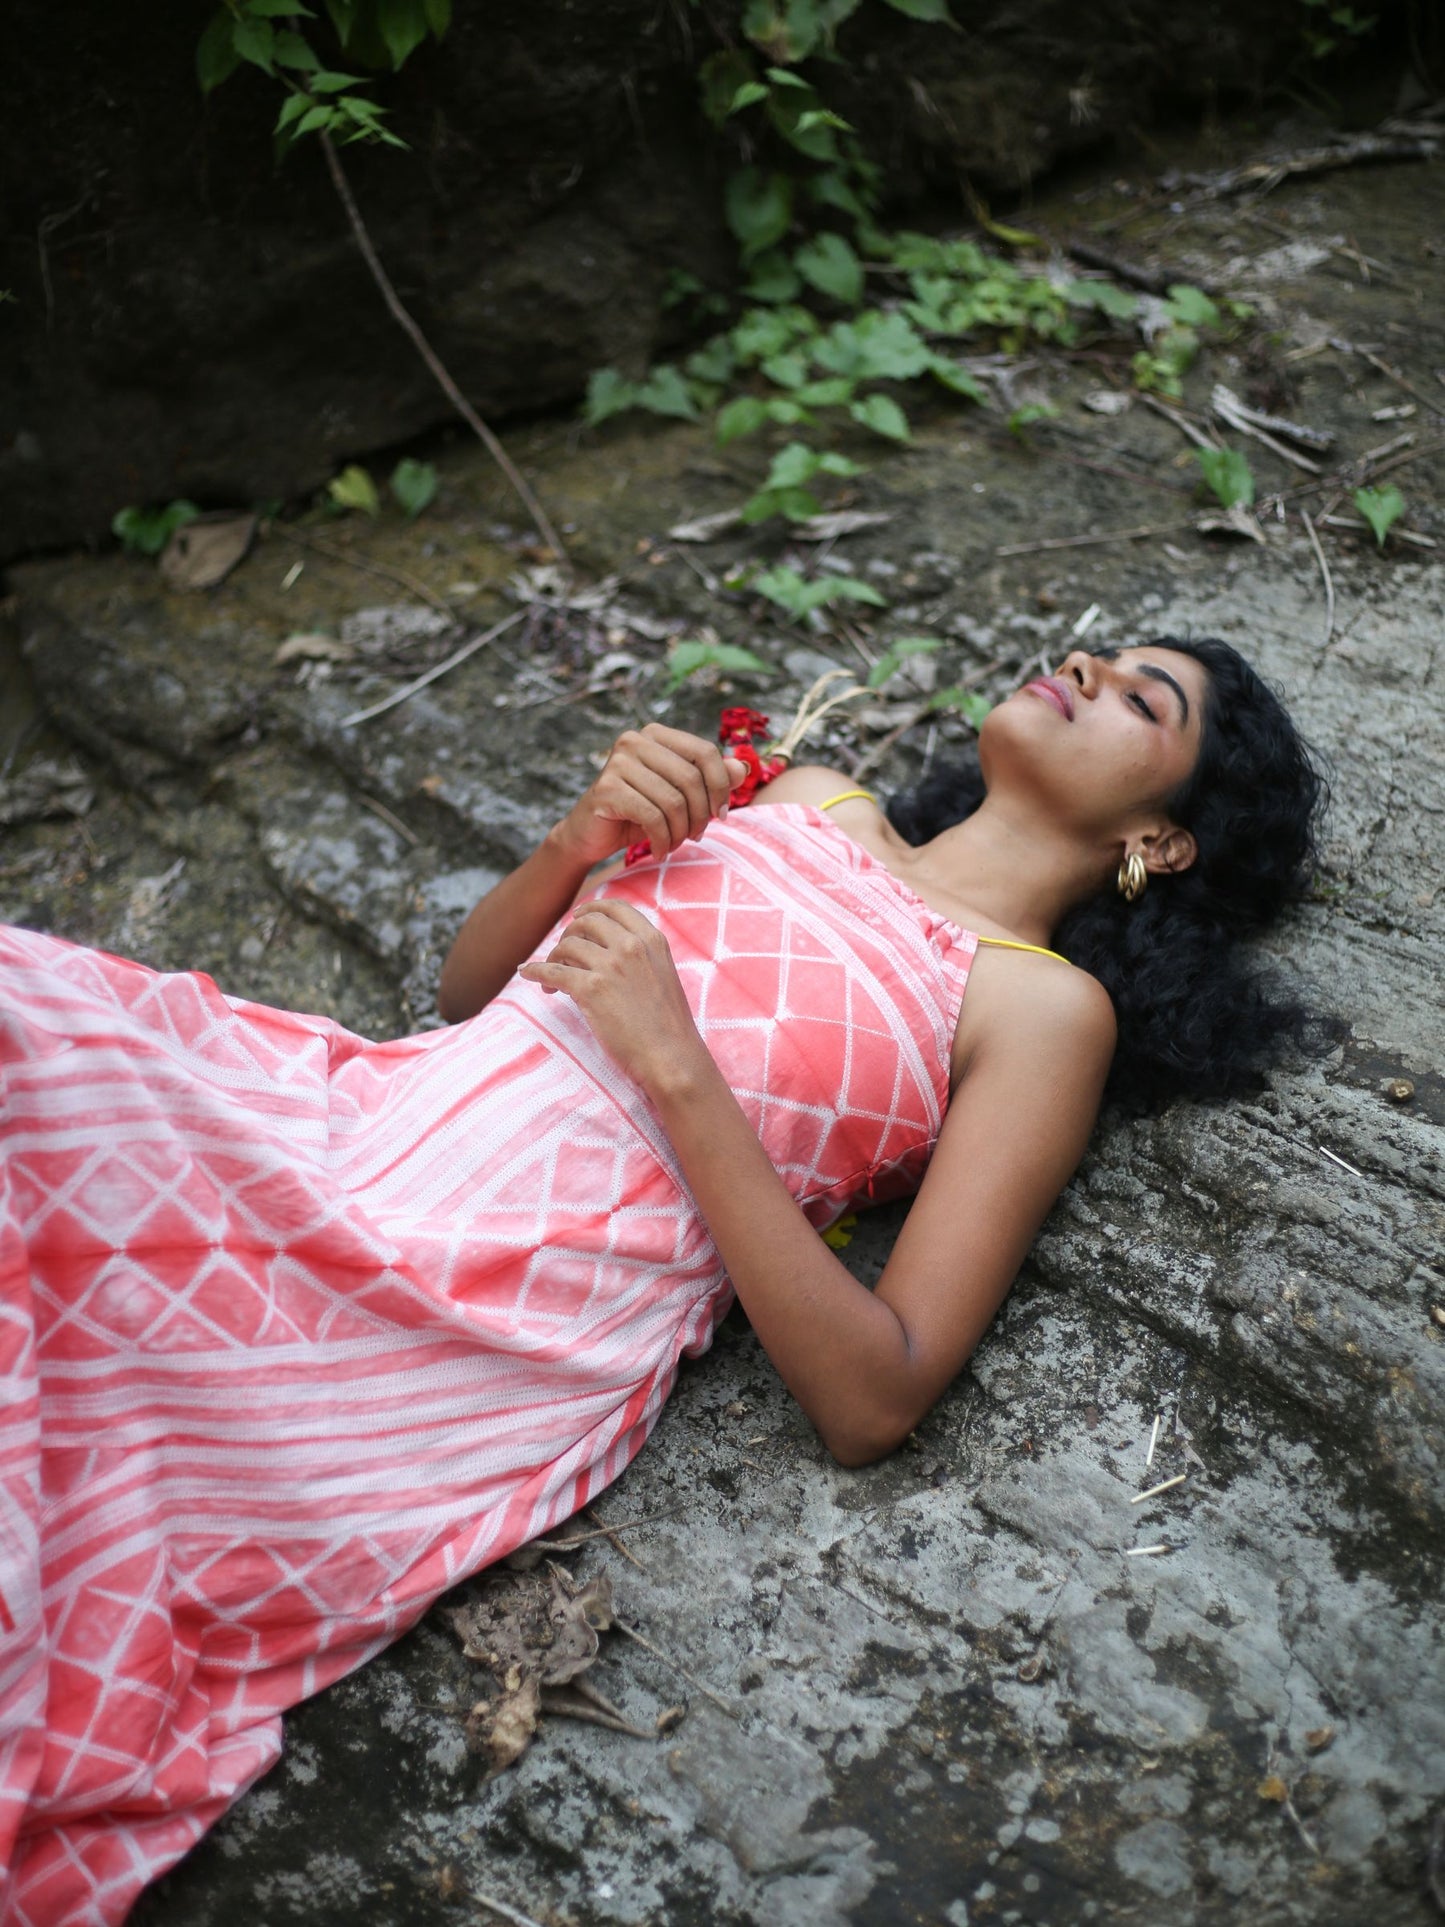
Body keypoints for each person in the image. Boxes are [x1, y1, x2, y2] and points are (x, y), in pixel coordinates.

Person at [0, 636, 1330, 1924]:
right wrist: (581, 839)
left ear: (1159, 840)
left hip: (485, 1306)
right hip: (353, 1128)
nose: (1087, 668)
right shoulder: (805, 801)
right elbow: (475, 1006)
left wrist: (677, 1065)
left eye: (1144, 698)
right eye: (1097, 653)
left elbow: (877, 1395)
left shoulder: (1035, 1009)